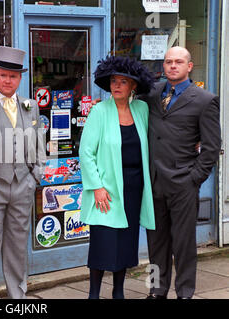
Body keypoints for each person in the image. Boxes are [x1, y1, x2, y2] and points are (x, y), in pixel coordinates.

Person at [141, 47, 221, 299]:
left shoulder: (205, 100)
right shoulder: (152, 93)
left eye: (178, 62)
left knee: (184, 244)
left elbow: (211, 147)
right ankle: (156, 289)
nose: (173, 65)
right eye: (168, 62)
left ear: (189, 66)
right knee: (155, 244)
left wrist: (194, 179)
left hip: (183, 184)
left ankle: (185, 292)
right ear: (163, 66)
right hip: (153, 182)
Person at [0, 46, 46, 299]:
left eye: (13, 76)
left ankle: (18, 297)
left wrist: (35, 176)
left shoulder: (30, 106)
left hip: (22, 185)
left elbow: (38, 144)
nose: (7, 80)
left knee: (17, 248)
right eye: (3, 75)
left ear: (20, 79)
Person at [79, 56, 156, 299]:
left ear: (133, 86)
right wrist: (97, 187)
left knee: (125, 242)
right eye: (113, 81)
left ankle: (119, 291)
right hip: (107, 190)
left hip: (134, 189)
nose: (117, 85)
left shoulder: (141, 109)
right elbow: (86, 152)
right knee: (103, 242)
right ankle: (93, 293)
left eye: (124, 81)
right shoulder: (99, 111)